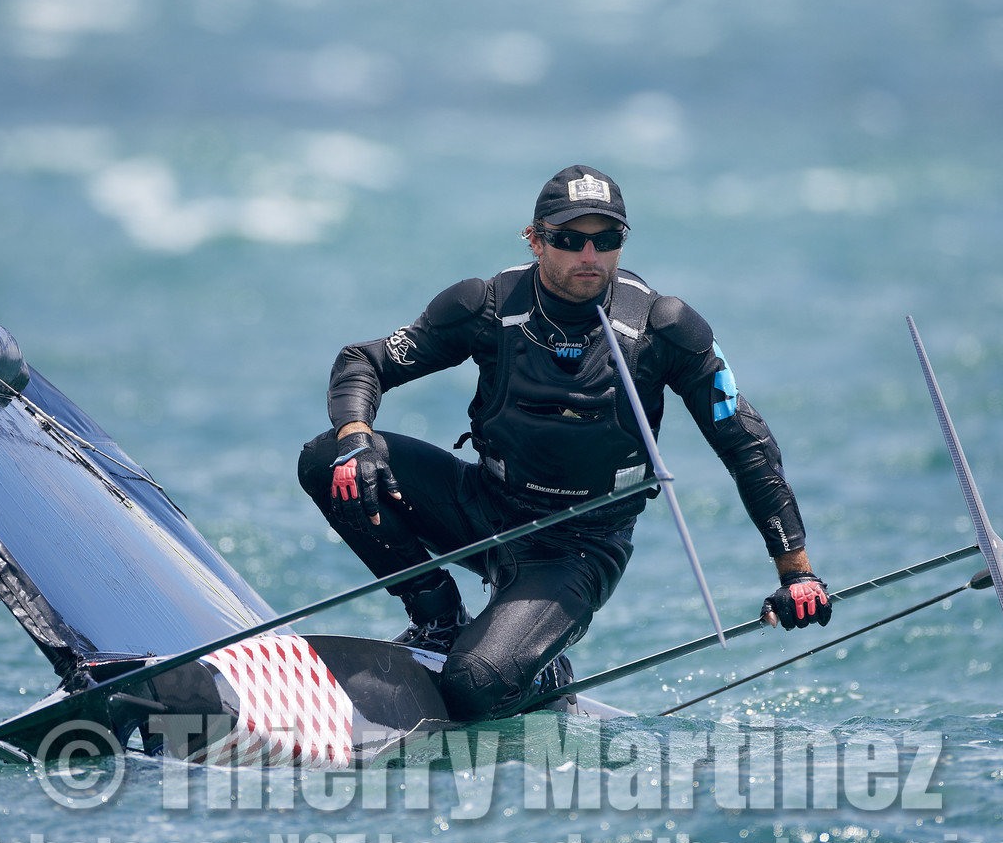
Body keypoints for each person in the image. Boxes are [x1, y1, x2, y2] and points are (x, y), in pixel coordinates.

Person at [298, 165, 830, 721]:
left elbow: (747, 443)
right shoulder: (485, 306)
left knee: (471, 685)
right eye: (570, 239)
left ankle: (542, 669)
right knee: (327, 459)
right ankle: (436, 613)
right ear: (535, 238)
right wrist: (356, 437)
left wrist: (795, 572)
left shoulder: (663, 329)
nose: (589, 256)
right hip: (486, 505)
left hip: (577, 547)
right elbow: (364, 361)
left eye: (607, 240)